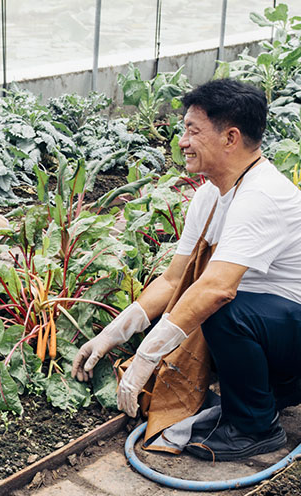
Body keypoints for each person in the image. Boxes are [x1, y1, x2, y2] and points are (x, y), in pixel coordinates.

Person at [72, 78, 301, 461]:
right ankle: (271, 394)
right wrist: (112, 334)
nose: (182, 141)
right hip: (276, 329)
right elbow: (174, 279)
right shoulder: (211, 194)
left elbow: (217, 289)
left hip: (291, 330)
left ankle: (255, 428)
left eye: (193, 131)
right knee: (203, 303)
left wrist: (146, 358)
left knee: (221, 308)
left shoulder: (260, 196)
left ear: (230, 138)